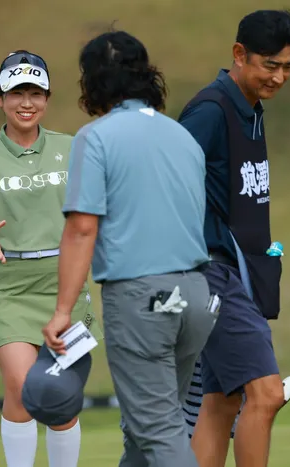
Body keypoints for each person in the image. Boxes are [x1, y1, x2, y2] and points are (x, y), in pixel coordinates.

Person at [42, 30, 218, 467]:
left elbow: (82, 229)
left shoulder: (95, 137)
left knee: (157, 430)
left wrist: (63, 311)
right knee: (148, 429)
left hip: (143, 300)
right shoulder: (182, 137)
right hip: (196, 296)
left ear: (93, 81)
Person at [0, 49, 99, 467]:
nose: (26, 103)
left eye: (35, 93)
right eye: (16, 93)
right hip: (9, 287)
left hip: (65, 286)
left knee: (61, 398)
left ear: (47, 98)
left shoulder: (71, 147)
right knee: (22, 387)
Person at [176, 10, 290, 467]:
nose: (279, 77)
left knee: (221, 403)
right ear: (239, 54)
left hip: (236, 275)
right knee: (266, 395)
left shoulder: (250, 109)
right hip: (211, 272)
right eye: (270, 65)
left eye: (287, 67)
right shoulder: (211, 111)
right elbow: (167, 180)